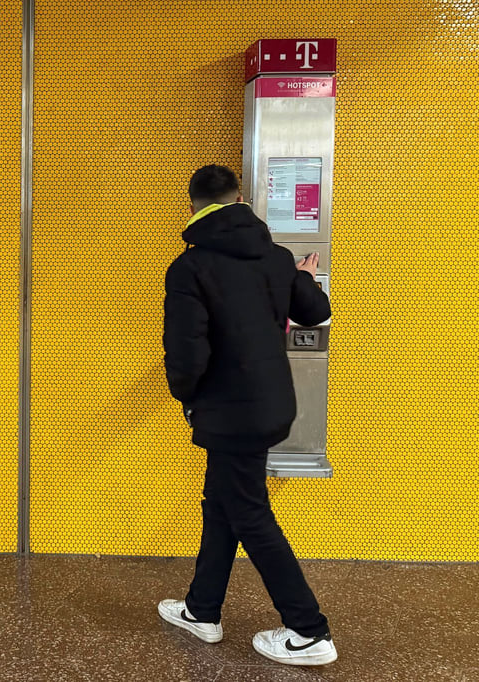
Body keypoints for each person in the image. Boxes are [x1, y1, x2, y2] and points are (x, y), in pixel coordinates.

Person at [157, 165, 337, 666]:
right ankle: (201, 609)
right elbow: (316, 312)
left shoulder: (190, 267)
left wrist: (187, 398)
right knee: (222, 503)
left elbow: (186, 351)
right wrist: (303, 277)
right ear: (240, 200)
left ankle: (308, 631)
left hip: (228, 411)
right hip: (272, 403)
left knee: (250, 514)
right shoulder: (276, 257)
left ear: (193, 207)